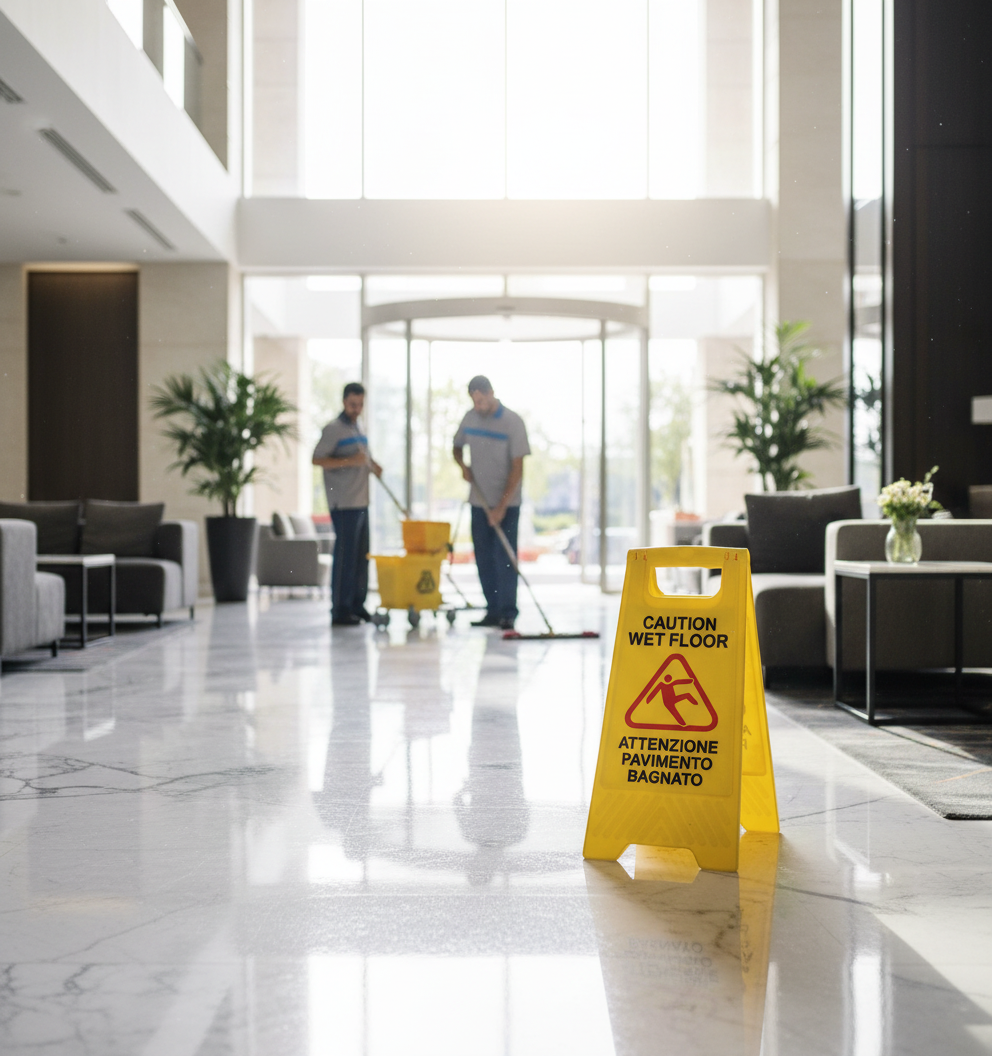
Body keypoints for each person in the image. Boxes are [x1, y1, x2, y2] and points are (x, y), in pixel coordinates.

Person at [453, 376, 531, 630]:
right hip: (479, 501)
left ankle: (508, 612)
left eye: (482, 399)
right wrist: (463, 466)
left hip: (506, 505)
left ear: (492, 393)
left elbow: (518, 468)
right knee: (484, 558)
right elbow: (456, 446)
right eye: (474, 401)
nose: (478, 405)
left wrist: (501, 506)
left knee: (504, 558)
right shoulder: (470, 418)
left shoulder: (513, 422)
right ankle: (493, 611)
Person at [313, 382, 381, 626]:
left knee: (361, 557)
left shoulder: (357, 427)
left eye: (360, 404)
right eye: (353, 404)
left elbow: (363, 458)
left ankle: (357, 605)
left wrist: (373, 465)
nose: (357, 409)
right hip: (344, 503)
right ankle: (340, 610)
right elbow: (318, 459)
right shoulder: (333, 429)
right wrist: (352, 460)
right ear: (344, 402)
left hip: (361, 501)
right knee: (345, 558)